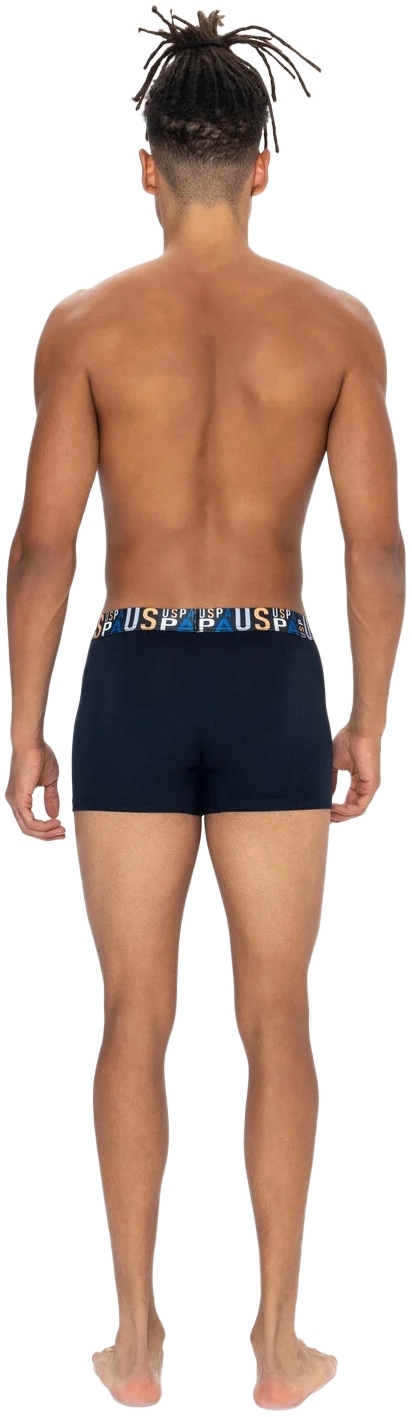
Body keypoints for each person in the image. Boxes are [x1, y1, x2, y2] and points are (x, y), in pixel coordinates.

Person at [5, 7, 405, 1410]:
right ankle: (279, 1345)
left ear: (148, 169)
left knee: (132, 1013)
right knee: (279, 1014)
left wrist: (25, 724)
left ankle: (135, 1340)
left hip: (132, 674)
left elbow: (43, 548)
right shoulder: (336, 326)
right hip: (271, 673)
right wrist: (368, 714)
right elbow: (375, 547)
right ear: (263, 168)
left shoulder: (87, 326)